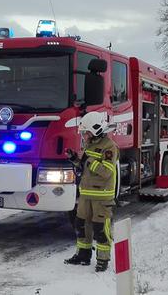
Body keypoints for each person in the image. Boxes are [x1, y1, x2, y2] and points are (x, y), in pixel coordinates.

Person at [64, 111, 119, 272]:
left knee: (100, 228)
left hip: (102, 197)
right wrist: (75, 158)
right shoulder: (90, 145)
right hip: (86, 194)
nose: (84, 135)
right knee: (81, 225)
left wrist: (89, 161)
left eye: (86, 132)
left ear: (95, 131)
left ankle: (103, 260)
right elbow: (84, 167)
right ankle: (83, 255)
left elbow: (106, 171)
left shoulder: (109, 147)